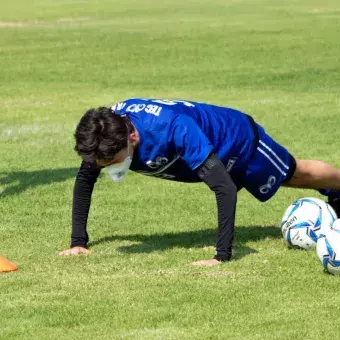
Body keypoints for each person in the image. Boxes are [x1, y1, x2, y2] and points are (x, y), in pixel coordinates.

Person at [58, 98, 340, 266]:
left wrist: (221, 256)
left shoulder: (173, 129)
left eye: (114, 161)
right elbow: (85, 180)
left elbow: (224, 187)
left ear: (132, 138)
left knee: (295, 175)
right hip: (196, 153)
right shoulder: (104, 135)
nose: (109, 167)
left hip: (238, 142)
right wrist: (78, 242)